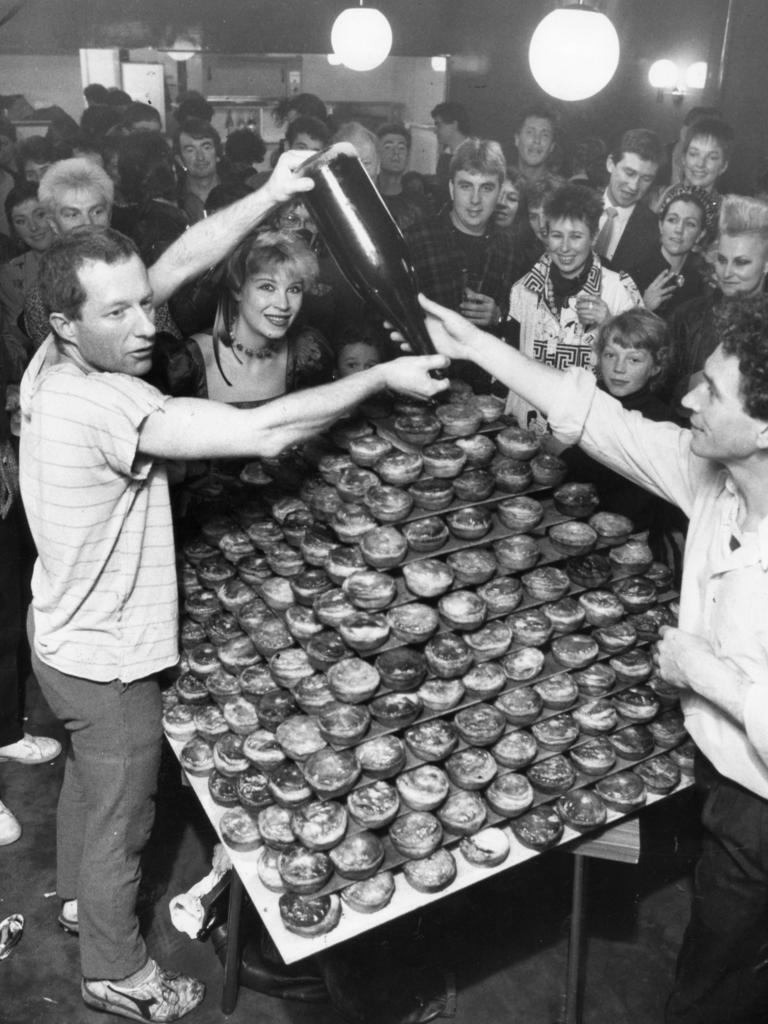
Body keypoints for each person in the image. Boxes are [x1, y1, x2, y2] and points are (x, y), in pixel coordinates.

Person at [19, 172, 448, 1020]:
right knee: (122, 818)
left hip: (58, 636)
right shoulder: (105, 403)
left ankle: (76, 904)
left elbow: (175, 262)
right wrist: (379, 378)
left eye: (144, 303)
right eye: (121, 314)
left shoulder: (52, 354)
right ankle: (114, 970)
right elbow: (261, 429)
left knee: (86, 789)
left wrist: (270, 193)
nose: (147, 324)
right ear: (69, 324)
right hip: (108, 661)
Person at [405, 288, 768, 1024]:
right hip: (726, 787)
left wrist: (709, 676)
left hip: (760, 815)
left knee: (714, 992)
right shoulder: (715, 485)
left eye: (713, 390)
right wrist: (481, 347)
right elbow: (604, 420)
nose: (690, 399)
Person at [505, 182, 642, 433]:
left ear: (594, 235)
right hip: (525, 429)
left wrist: (610, 323)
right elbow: (509, 362)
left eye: (576, 236)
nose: (565, 248)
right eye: (557, 235)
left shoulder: (620, 289)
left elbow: (645, 359)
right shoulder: (523, 290)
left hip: (588, 432)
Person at [560, 307, 682, 544]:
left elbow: (612, 472)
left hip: (630, 536)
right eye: (610, 355)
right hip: (571, 525)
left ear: (656, 366)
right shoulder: (586, 395)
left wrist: (563, 451)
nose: (618, 368)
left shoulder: (662, 418)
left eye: (634, 359)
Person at [405, 137, 515, 391]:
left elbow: (523, 321)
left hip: (488, 389)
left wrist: (500, 315)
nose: (475, 200)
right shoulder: (415, 239)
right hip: (425, 383)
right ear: (452, 188)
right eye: (466, 186)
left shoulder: (511, 247)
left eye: (486, 188)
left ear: (499, 192)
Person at [179, 229, 334, 405]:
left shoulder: (307, 355)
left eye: (294, 289)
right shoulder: (190, 361)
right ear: (238, 289)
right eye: (268, 287)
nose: (283, 304)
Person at [668, 194, 768, 406]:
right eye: (722, 260)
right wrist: (693, 384)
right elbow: (660, 391)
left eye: (741, 262)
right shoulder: (687, 317)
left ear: (766, 265)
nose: (727, 272)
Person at [631, 183, 712, 320]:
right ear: (661, 225)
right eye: (672, 220)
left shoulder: (702, 282)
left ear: (700, 235)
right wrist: (644, 307)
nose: (679, 230)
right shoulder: (634, 275)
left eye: (690, 224)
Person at [0, 183, 55, 378]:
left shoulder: (87, 255)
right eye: (21, 221)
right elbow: (23, 341)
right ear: (14, 229)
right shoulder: (10, 274)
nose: (33, 227)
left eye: (40, 214)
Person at [596, 128, 663, 278]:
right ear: (610, 164)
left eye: (646, 179)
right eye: (629, 173)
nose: (634, 186)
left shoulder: (654, 231)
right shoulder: (575, 204)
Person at [174, 118, 223, 224]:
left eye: (206, 147)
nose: (200, 157)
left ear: (218, 154)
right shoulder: (174, 200)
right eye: (190, 150)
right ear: (180, 160)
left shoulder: (239, 194)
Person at [431, 101, 471, 200]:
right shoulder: (445, 156)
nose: (435, 130)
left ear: (454, 125)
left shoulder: (475, 154)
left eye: (439, 125)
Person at [511, 103, 558, 184]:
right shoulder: (498, 185)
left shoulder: (564, 192)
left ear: (552, 146)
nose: (537, 140)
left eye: (545, 135)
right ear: (517, 139)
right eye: (530, 132)